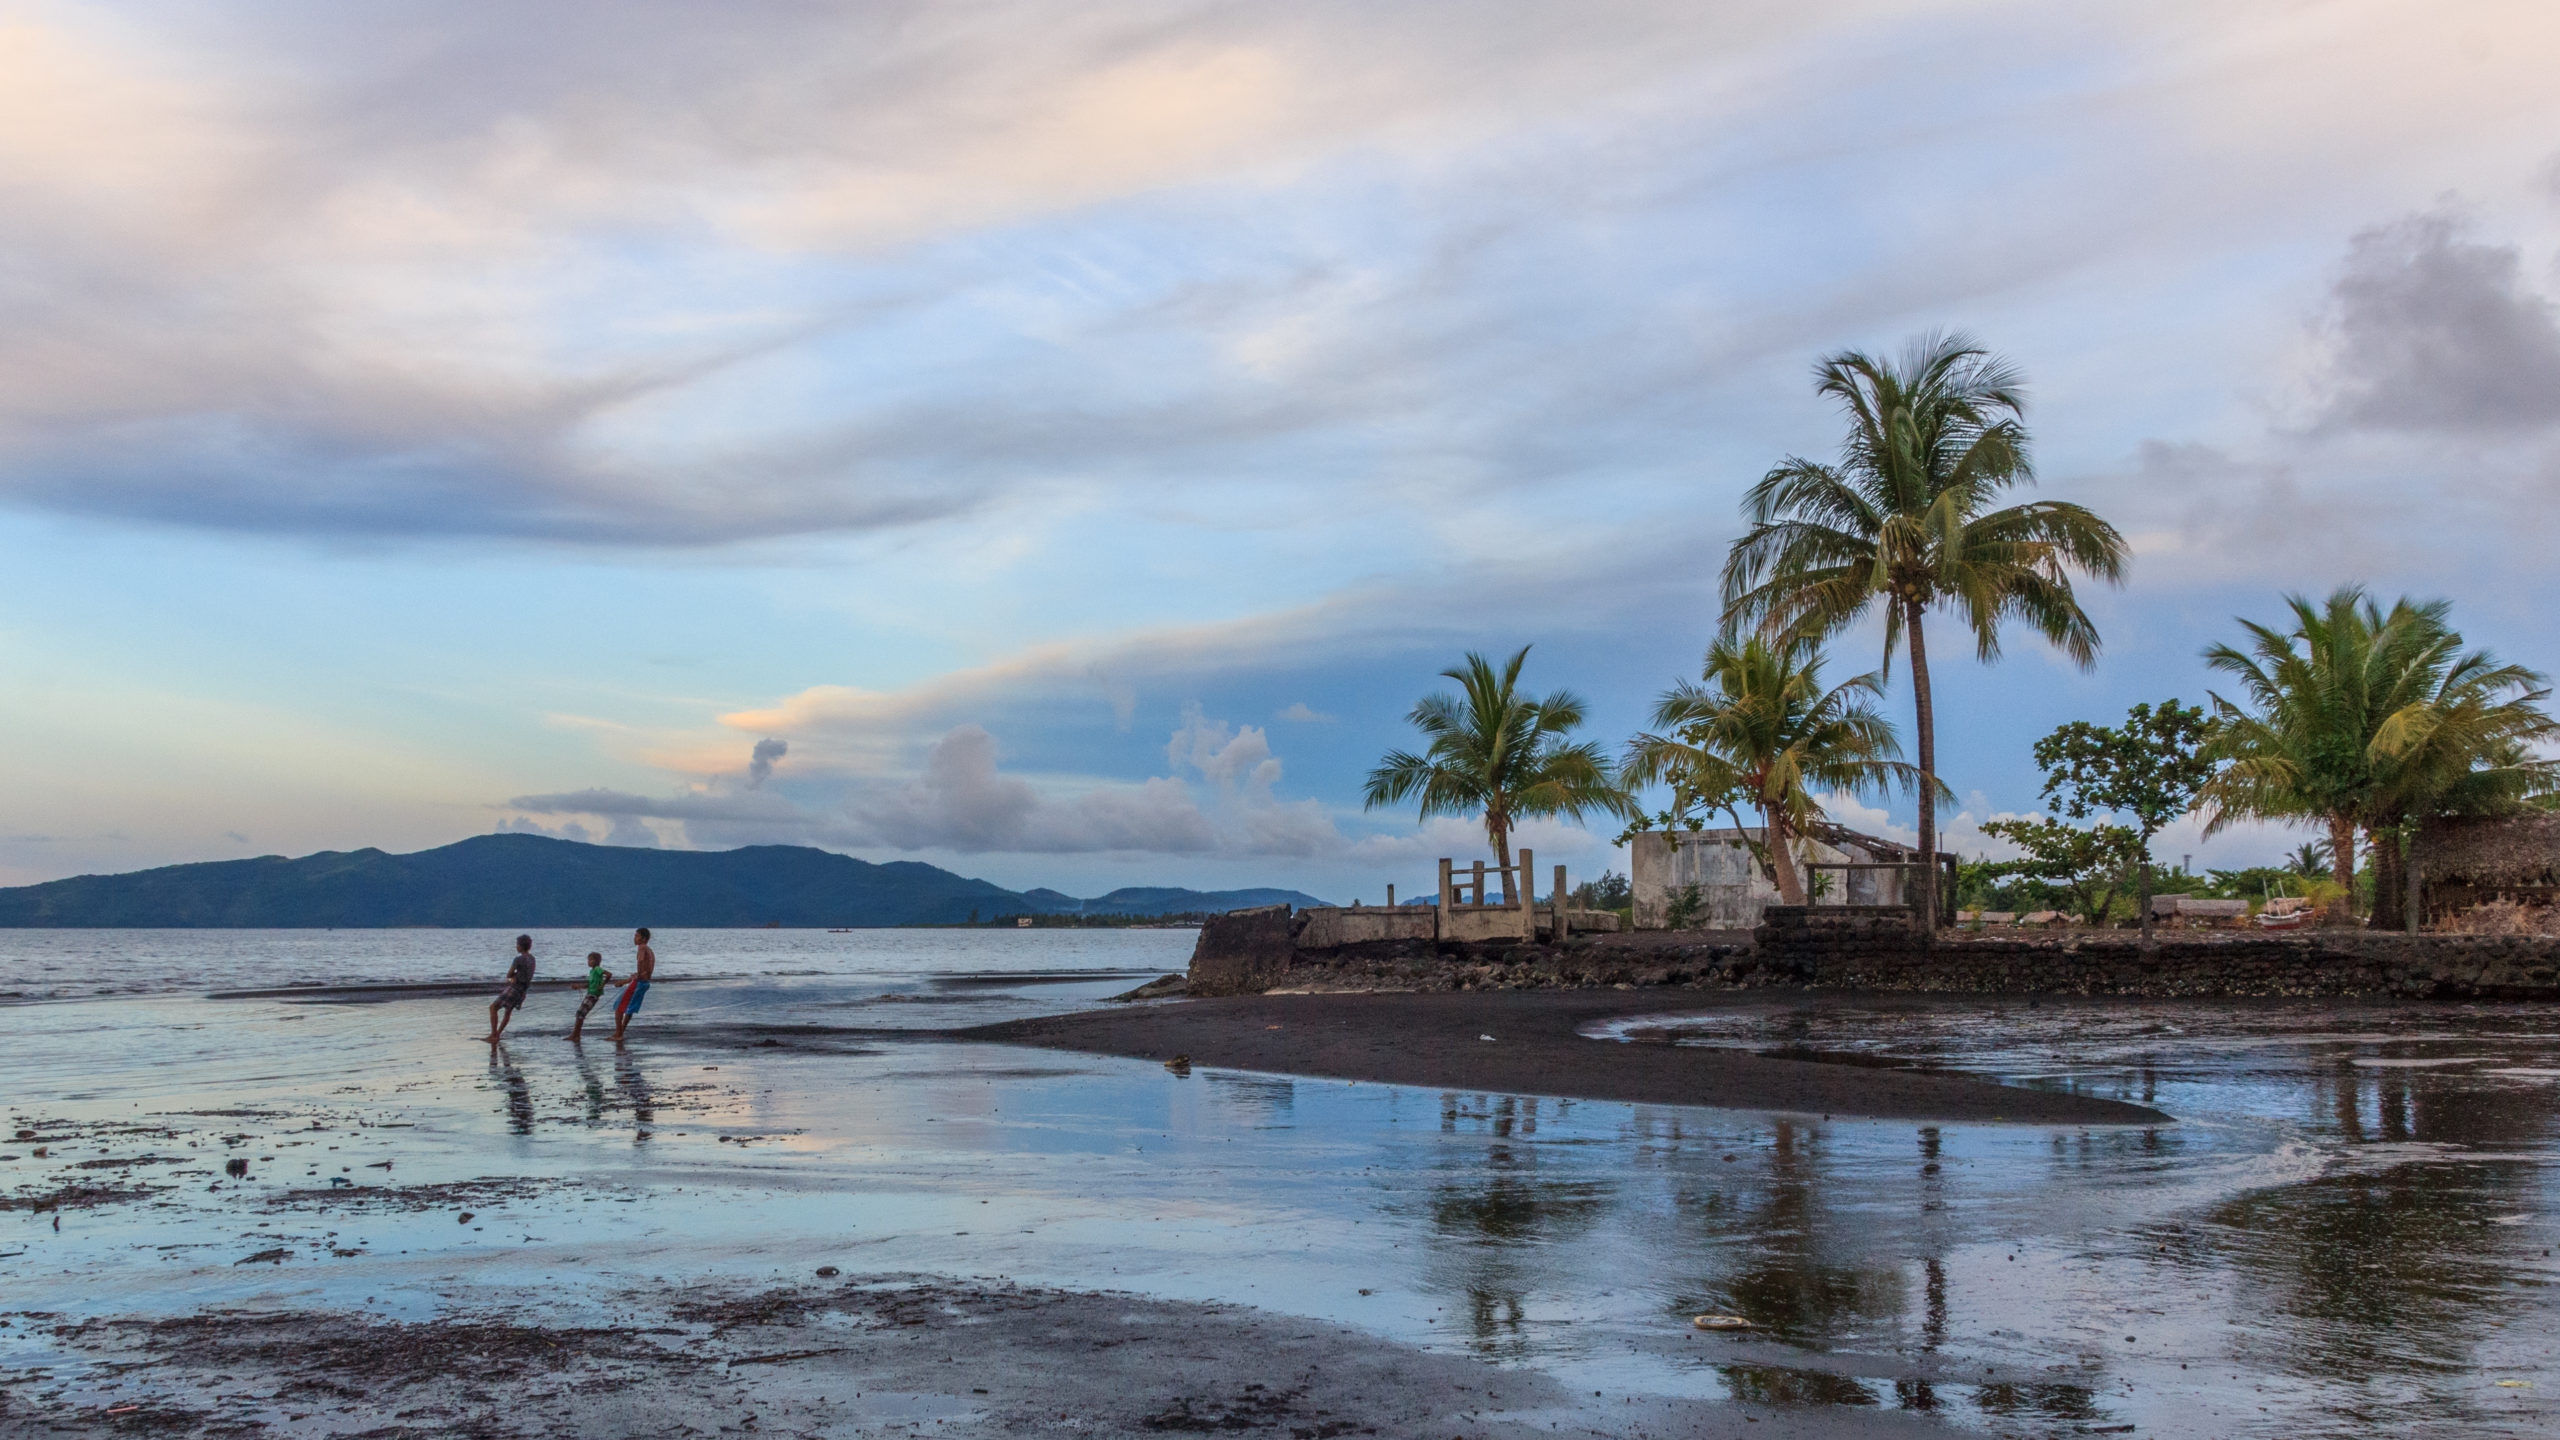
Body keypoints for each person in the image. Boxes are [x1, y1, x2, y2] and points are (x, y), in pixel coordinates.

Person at [485, 934, 536, 1044]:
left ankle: (494, 1034)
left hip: (514, 988)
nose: (516, 947)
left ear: (521, 946)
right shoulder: (532, 959)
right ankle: (497, 1034)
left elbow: (509, 974)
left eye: (517, 945)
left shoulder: (518, 959)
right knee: (507, 1013)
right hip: (523, 990)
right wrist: (515, 976)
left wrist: (514, 976)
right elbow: (527, 974)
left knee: (493, 1008)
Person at [611, 927, 655, 1042]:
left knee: (619, 1007)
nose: (634, 938)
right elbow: (647, 970)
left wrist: (627, 980)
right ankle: (620, 1032)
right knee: (629, 1008)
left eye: (637, 936)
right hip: (645, 982)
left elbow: (640, 966)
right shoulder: (649, 950)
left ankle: (618, 1034)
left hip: (639, 982)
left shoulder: (642, 948)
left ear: (643, 938)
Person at [566, 951, 614, 1043]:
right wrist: (579, 986)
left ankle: (575, 1035)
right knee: (580, 1014)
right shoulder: (592, 971)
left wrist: (603, 985)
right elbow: (589, 984)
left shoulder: (597, 969)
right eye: (588, 960)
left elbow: (609, 974)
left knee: (580, 1014)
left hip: (593, 995)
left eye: (591, 960)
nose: (589, 962)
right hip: (590, 994)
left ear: (596, 961)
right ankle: (576, 1035)